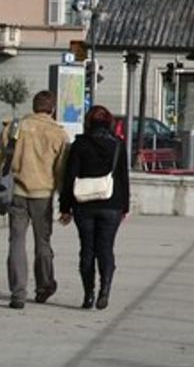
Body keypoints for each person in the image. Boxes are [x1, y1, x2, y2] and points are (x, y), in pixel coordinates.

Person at [1, 90, 69, 309]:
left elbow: (3, 157)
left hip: (17, 192)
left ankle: (18, 293)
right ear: (52, 109)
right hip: (43, 194)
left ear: (33, 106)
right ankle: (44, 285)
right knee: (43, 242)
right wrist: (62, 197)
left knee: (16, 242)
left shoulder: (15, 127)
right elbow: (61, 170)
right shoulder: (58, 134)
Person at [59, 105, 129, 310]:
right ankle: (104, 290)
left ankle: (88, 295)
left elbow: (69, 177)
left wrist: (65, 208)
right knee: (106, 248)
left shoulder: (80, 144)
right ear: (109, 123)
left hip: (84, 205)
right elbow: (123, 179)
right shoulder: (118, 145)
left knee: (87, 250)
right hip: (112, 204)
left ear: (88, 122)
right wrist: (124, 207)